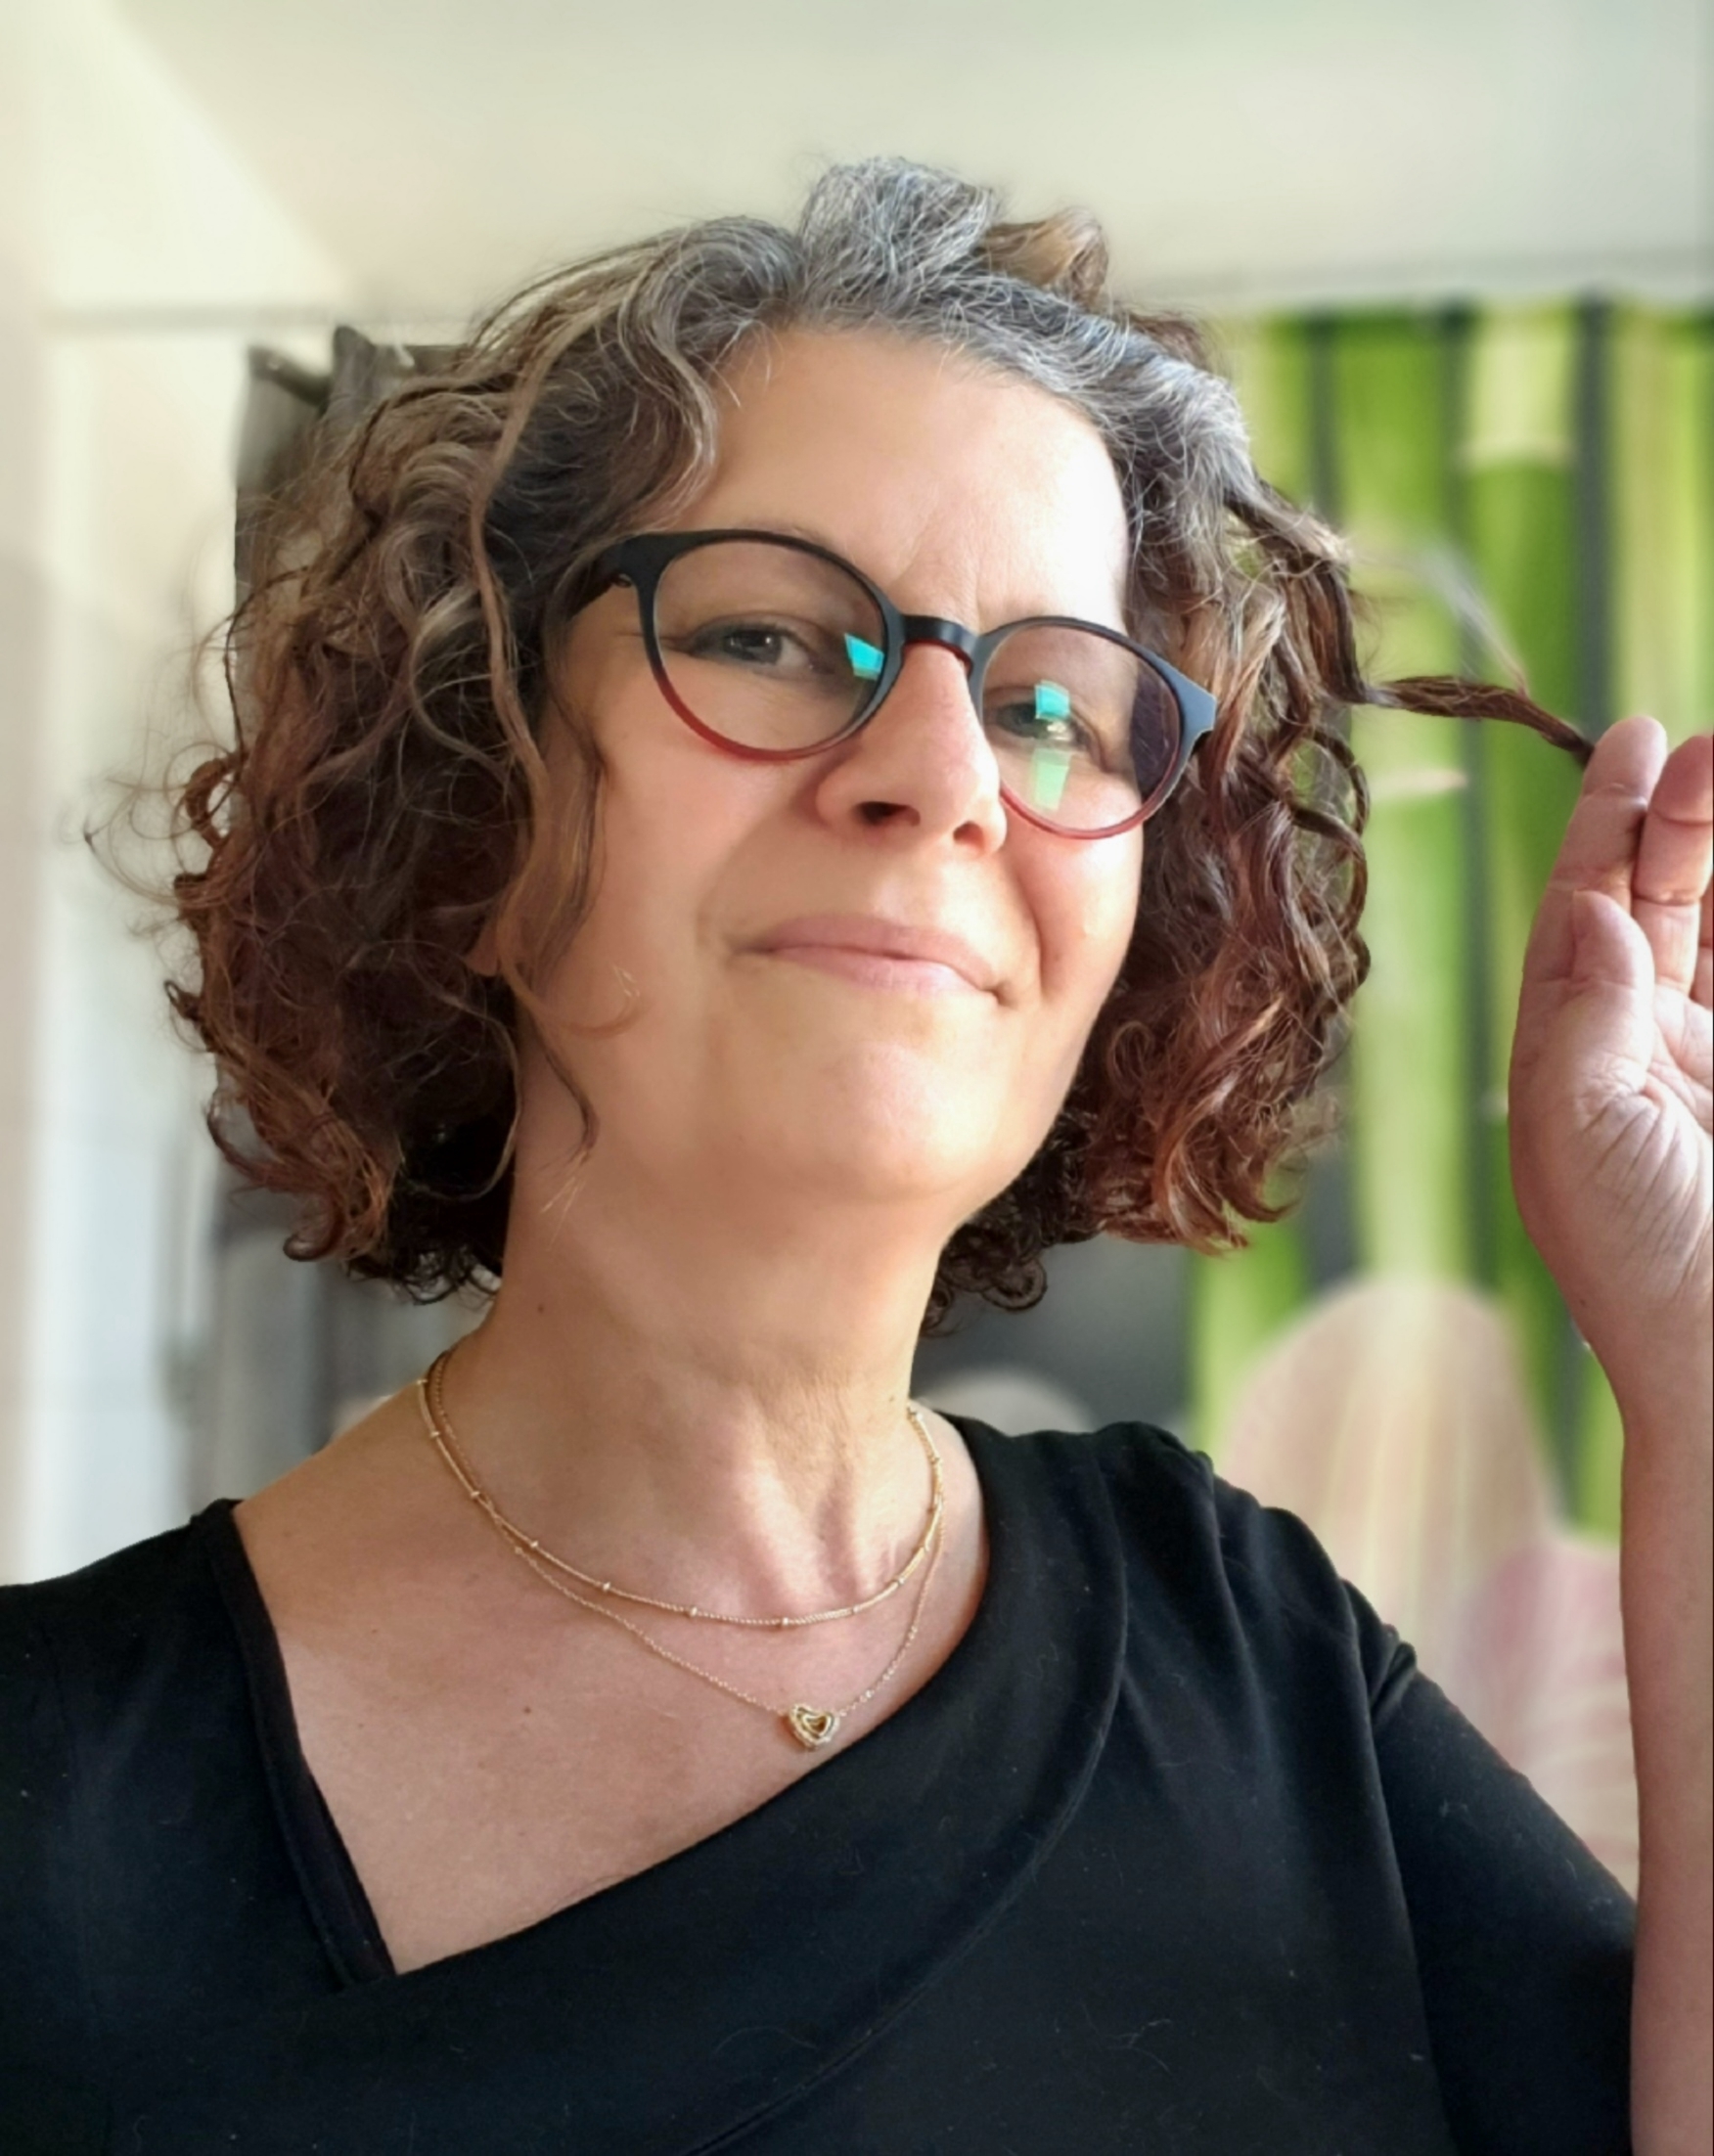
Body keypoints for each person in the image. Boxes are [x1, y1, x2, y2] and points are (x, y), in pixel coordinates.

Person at [2, 160, 1707, 2154]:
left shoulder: (1254, 1642)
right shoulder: (47, 1799)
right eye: (779, 639)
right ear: (477, 797)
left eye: (1055, 699)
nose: (945, 775)